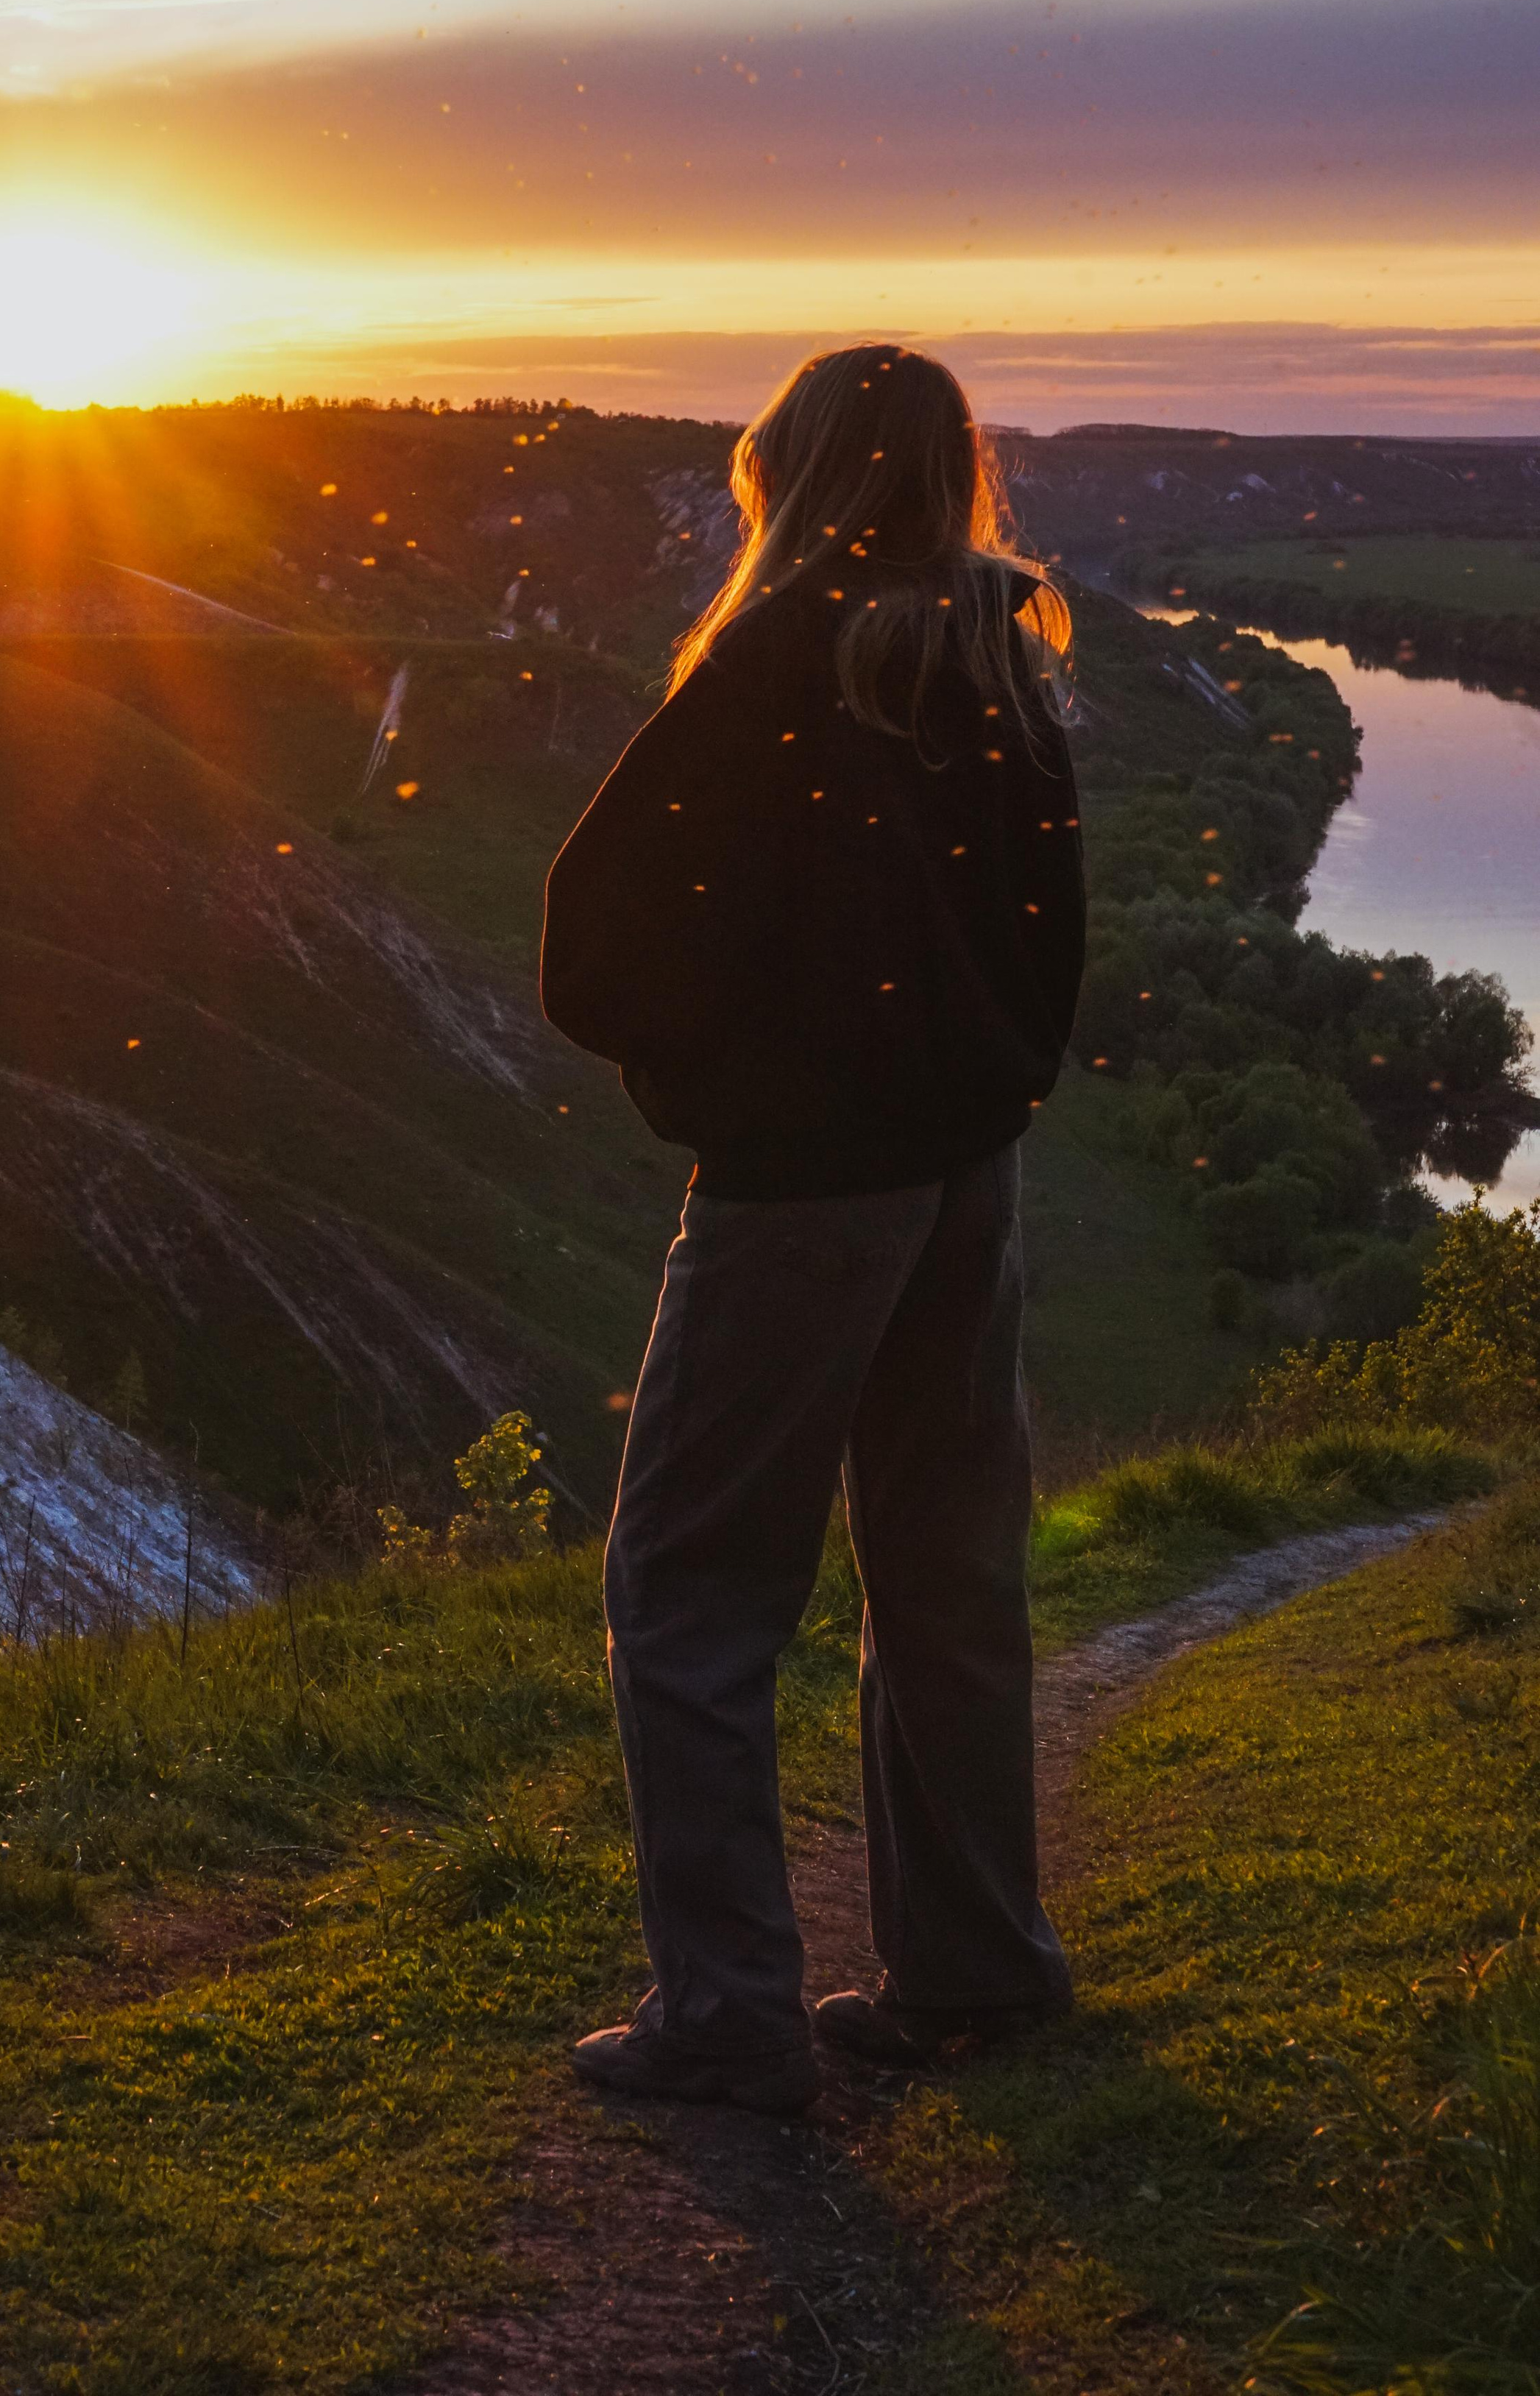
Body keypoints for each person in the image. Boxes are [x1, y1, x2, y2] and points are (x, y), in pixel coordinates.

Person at [539, 344, 1085, 2116]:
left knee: (686, 1594)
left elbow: (591, 937)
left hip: (802, 1191)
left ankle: (726, 2015)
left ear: (791, 474)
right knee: (942, 1572)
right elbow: (1040, 941)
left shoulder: (772, 663)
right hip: (964, 1179)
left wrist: (720, 1082)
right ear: (948, 478)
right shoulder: (999, 664)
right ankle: (974, 1970)